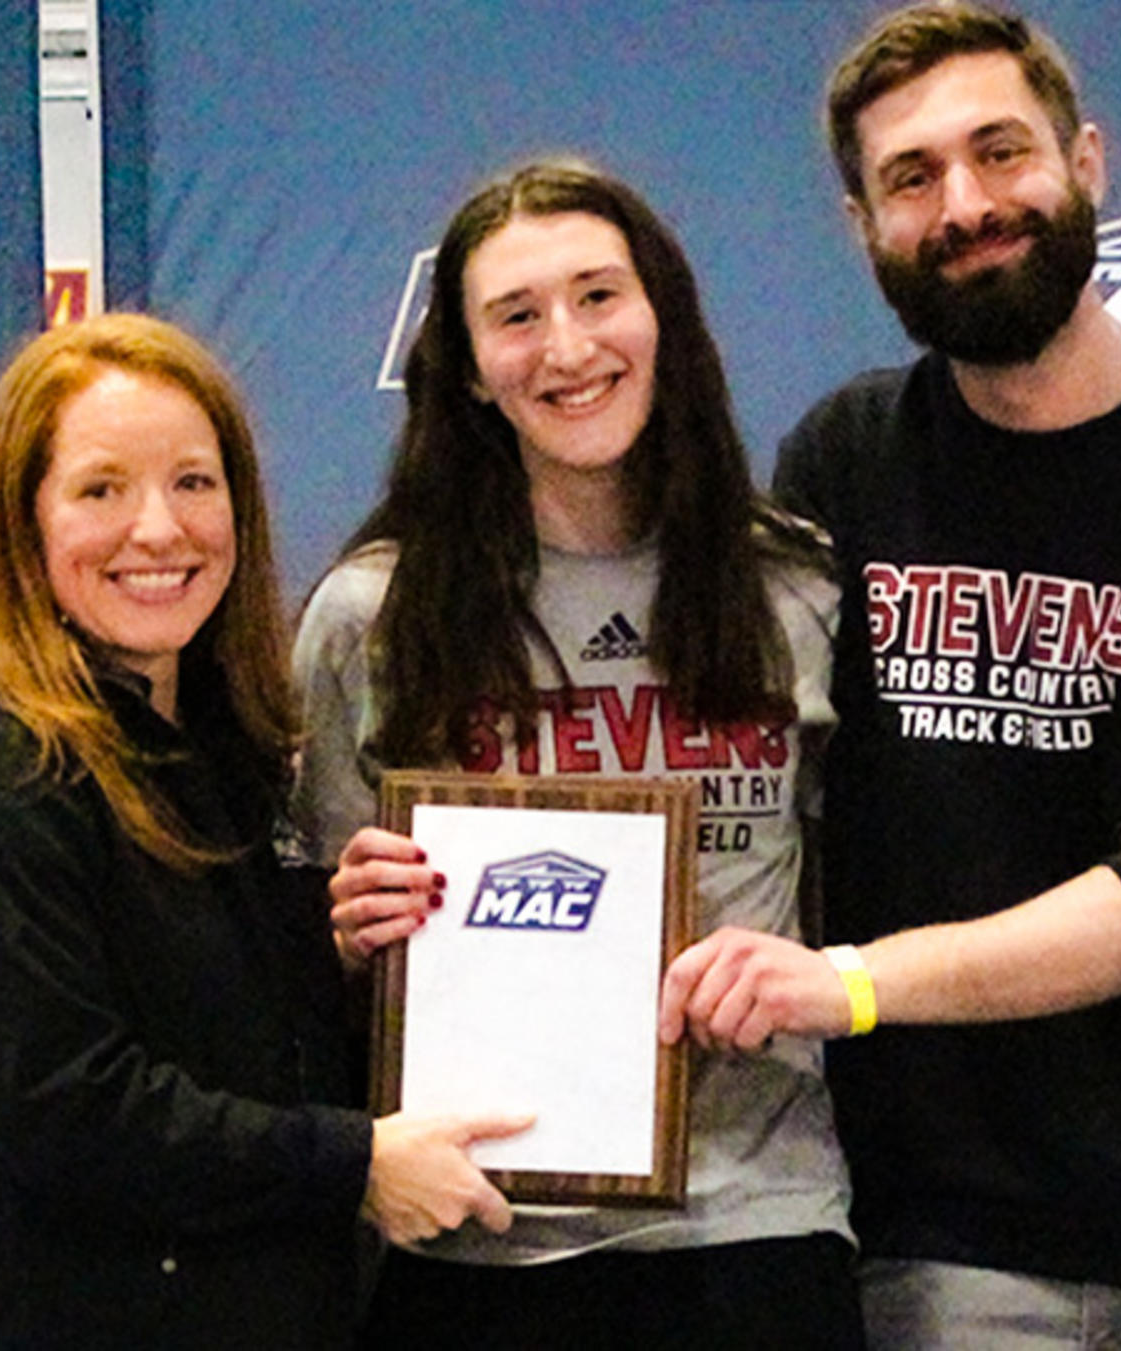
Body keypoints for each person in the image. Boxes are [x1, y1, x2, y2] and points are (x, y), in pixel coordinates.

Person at [658, 5, 1121, 1347]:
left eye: (1002, 153)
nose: (968, 205)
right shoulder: (846, 461)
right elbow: (739, 781)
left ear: (1088, 161)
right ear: (864, 223)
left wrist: (854, 982)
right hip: (936, 1242)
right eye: (912, 177)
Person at [0, 313, 527, 1349]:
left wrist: (331, 946)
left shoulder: (215, 749)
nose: (159, 530)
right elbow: (70, 1110)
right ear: (21, 518)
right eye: (101, 489)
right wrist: (356, 1165)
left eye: (194, 483)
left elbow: (197, 1018)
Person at [293, 161, 864, 1350]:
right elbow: (307, 965)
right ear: (466, 370)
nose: (567, 347)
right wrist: (344, 933)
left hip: (751, 1226)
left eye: (599, 295)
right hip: (472, 1229)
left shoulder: (797, 585)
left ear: (663, 317)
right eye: (516, 316)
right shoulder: (370, 614)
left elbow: (856, 887)